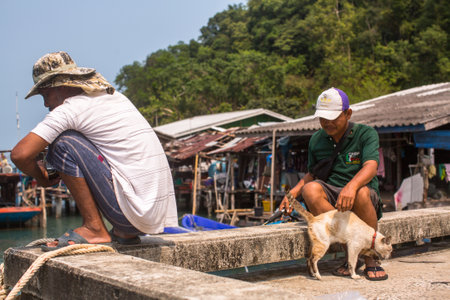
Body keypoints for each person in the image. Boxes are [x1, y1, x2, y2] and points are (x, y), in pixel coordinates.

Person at [11, 51, 178, 249]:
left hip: (133, 215)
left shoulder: (71, 109)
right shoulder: (115, 98)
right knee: (68, 141)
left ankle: (94, 228)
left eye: (46, 95)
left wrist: (40, 176)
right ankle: (122, 233)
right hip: (148, 217)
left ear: (62, 85)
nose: (46, 104)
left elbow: (20, 155)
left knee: (64, 143)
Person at [279, 87, 387, 281]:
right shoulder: (316, 140)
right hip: (332, 196)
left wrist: (351, 187)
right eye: (322, 118)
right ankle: (350, 257)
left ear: (347, 113)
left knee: (361, 193)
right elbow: (313, 173)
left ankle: (371, 259)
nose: (327, 123)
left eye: (333, 117)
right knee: (309, 190)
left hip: (363, 193)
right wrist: (292, 194)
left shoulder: (366, 134)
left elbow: (371, 167)